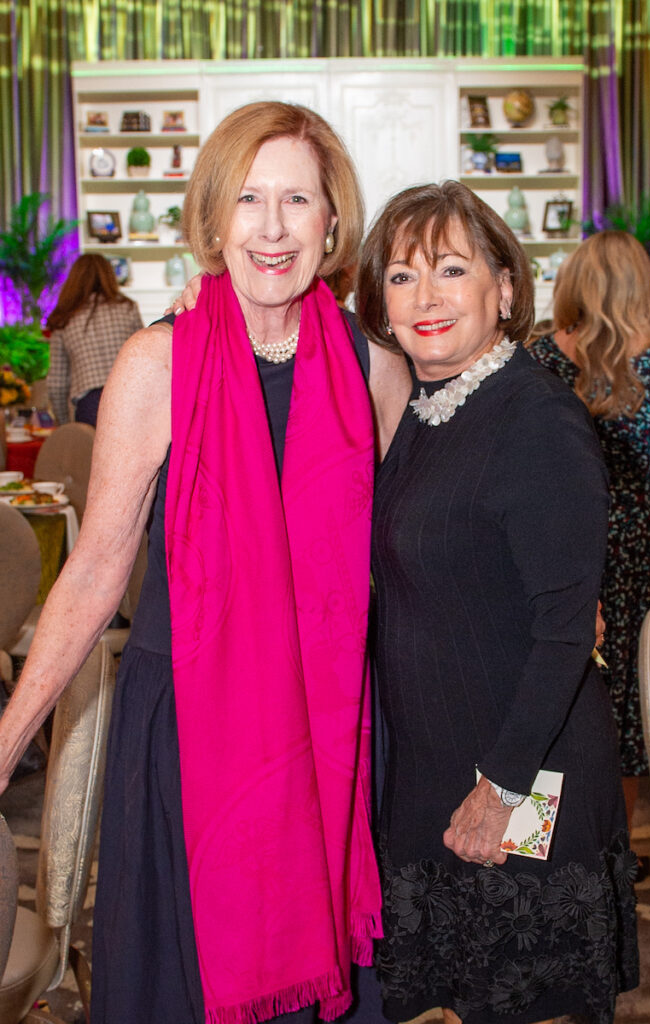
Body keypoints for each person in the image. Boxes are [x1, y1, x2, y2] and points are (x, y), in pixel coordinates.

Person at [0, 102, 410, 1024]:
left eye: (296, 200)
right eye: (248, 199)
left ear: (332, 221)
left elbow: (404, 558)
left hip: (329, 723)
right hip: (188, 731)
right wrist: (5, 742)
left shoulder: (373, 366)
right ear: (213, 220)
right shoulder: (158, 365)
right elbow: (97, 568)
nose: (271, 228)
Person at [354, 182, 639, 1024]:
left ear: (505, 287)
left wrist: (502, 788)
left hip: (517, 781)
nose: (428, 297)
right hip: (436, 768)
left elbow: (565, 632)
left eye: (451, 269)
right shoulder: (430, 408)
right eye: (402, 278)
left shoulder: (535, 416)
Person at [527, 230, 650, 837]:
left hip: (555, 554)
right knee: (630, 711)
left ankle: (540, 845)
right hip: (643, 564)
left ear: (574, 282)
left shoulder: (540, 359)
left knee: (551, 694)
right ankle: (614, 848)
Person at [46, 253, 143, 426]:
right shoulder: (127, 308)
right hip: (129, 398)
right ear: (109, 276)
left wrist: (64, 424)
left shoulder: (64, 318)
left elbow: (57, 383)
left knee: (94, 453)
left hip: (90, 405)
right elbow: (146, 359)